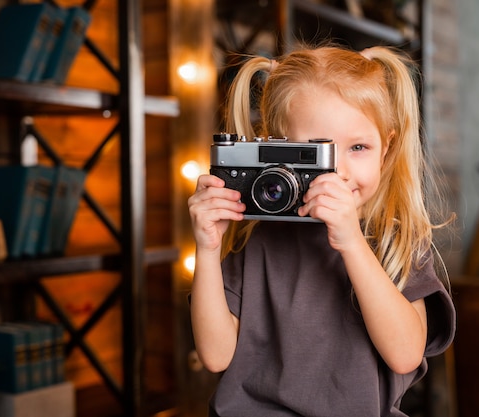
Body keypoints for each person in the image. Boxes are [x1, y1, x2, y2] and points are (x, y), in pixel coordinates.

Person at [188, 44, 456, 417]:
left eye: (358, 147)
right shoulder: (257, 236)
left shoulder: (396, 241)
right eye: (316, 152)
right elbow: (216, 357)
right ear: (277, 148)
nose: (339, 172)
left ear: (386, 147)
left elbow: (405, 354)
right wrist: (206, 248)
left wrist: (352, 244)